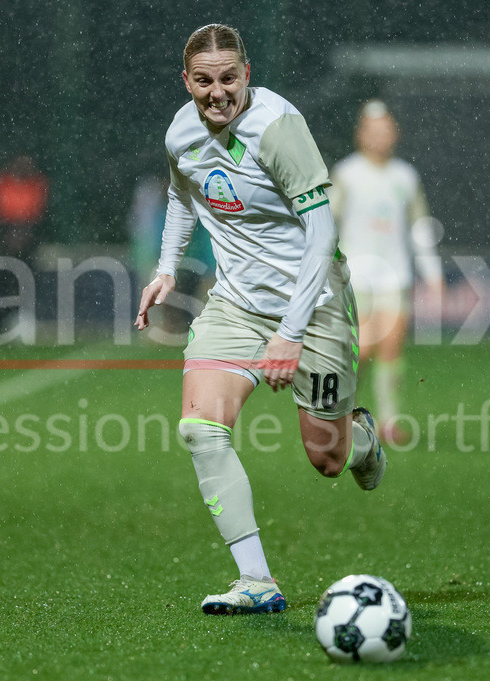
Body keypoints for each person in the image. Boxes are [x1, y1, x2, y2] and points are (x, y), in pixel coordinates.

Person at [134, 24, 386, 615]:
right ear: (187, 82)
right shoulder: (181, 132)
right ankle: (257, 580)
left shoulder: (277, 129)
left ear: (246, 74)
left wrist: (290, 334)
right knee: (200, 429)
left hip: (315, 301)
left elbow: (323, 232)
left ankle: (360, 438)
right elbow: (180, 194)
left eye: (228, 79)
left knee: (325, 459)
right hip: (236, 302)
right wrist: (167, 269)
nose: (217, 93)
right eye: (204, 82)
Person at [329, 100, 443, 443]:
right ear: (360, 134)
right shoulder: (346, 173)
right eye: (373, 131)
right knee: (361, 351)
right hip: (356, 276)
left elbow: (419, 226)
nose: (380, 137)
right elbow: (329, 221)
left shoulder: (405, 177)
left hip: (395, 275)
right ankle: (344, 413)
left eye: (386, 131)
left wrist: (432, 272)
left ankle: (389, 421)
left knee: (391, 348)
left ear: (395, 134)